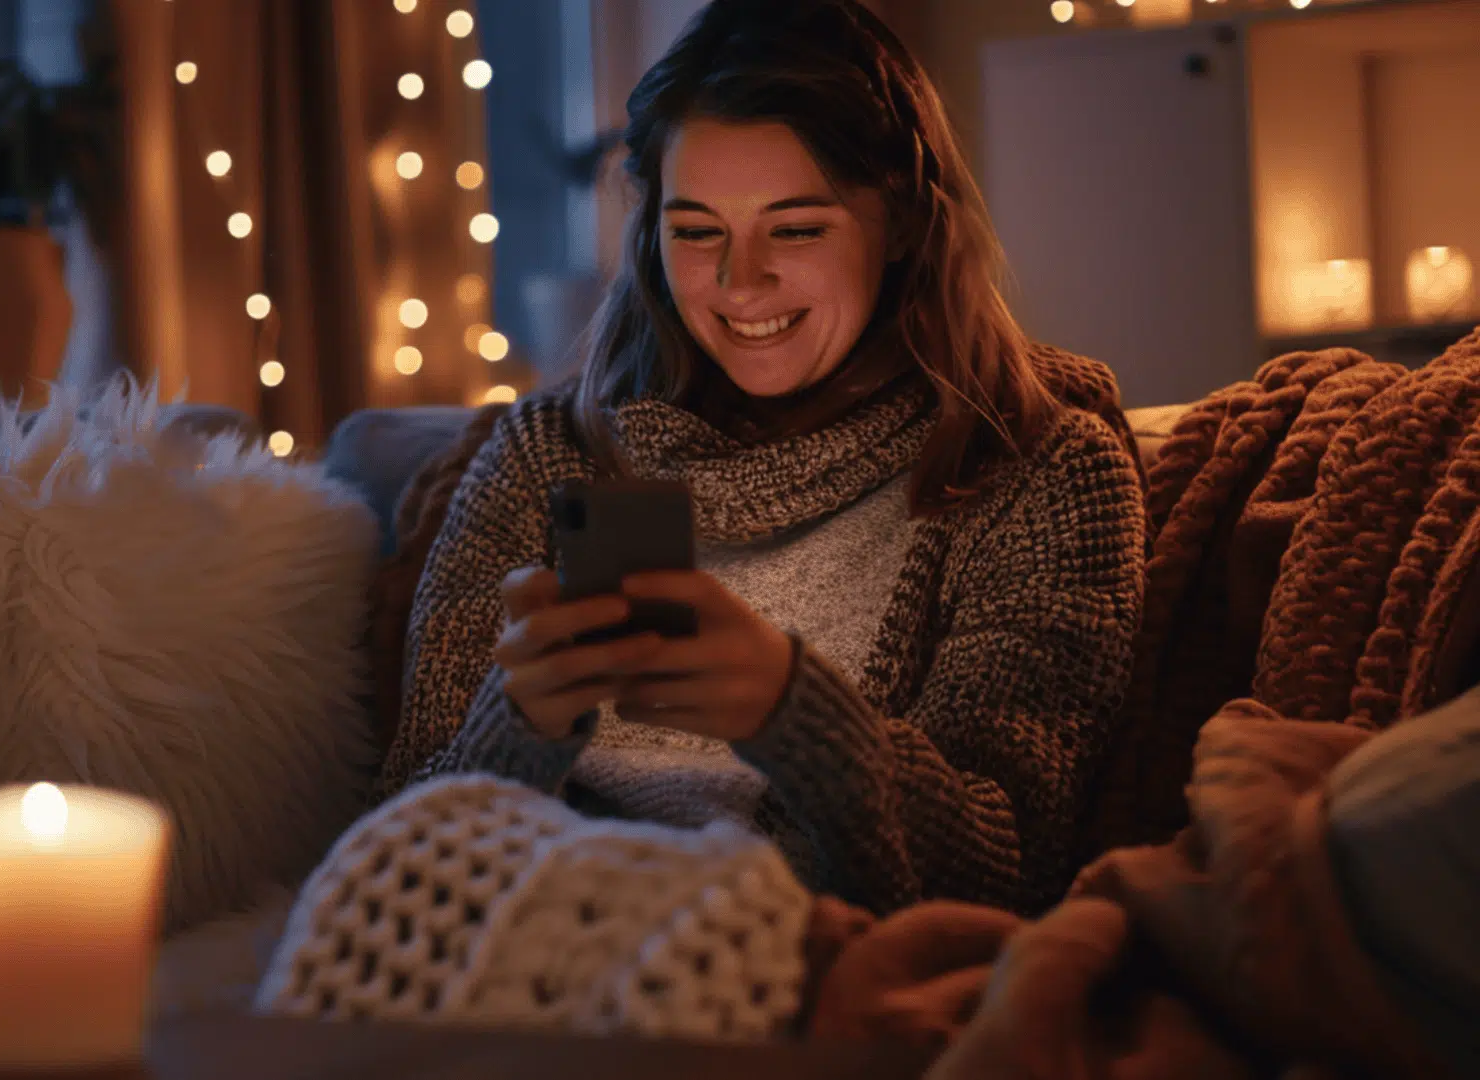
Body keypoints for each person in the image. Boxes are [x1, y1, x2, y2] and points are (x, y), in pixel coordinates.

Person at [375, 0, 1146, 917]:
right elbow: (397, 840)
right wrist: (524, 723)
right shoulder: (548, 457)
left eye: (796, 229)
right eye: (698, 231)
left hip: (796, 970)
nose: (742, 284)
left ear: (899, 224)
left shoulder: (1038, 476)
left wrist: (791, 711)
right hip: (522, 951)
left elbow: (1004, 866)